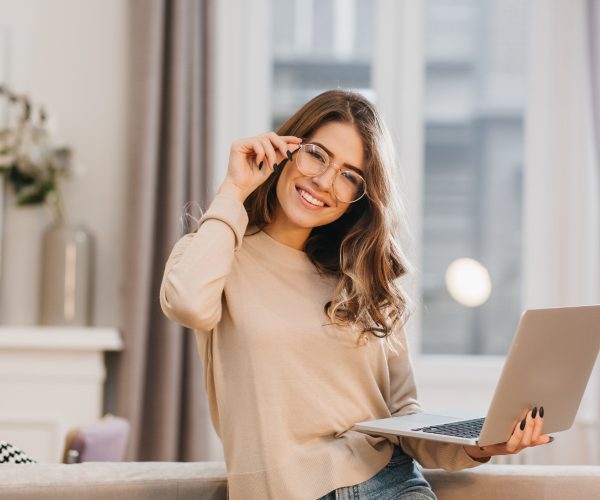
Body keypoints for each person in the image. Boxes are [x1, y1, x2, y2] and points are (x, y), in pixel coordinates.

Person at [160, 90, 550, 500]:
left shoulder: (367, 276)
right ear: (285, 149)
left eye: (349, 176)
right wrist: (233, 190)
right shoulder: (218, 249)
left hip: (391, 485)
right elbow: (187, 303)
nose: (325, 182)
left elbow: (402, 418)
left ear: (359, 199)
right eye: (317, 155)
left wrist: (484, 443)